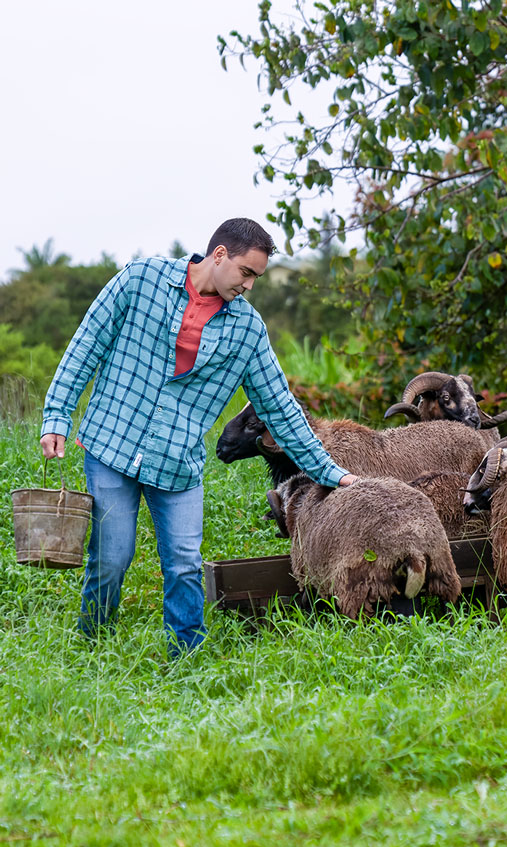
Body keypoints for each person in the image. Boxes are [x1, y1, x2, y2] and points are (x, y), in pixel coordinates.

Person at [40, 217, 358, 655]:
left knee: (185, 565)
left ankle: (186, 656)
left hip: (176, 461)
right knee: (111, 559)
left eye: (257, 278)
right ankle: (92, 645)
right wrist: (56, 416)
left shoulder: (248, 330)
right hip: (112, 444)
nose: (249, 285)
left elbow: (280, 407)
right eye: (246, 273)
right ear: (220, 254)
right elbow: (85, 346)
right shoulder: (140, 280)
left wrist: (331, 472)